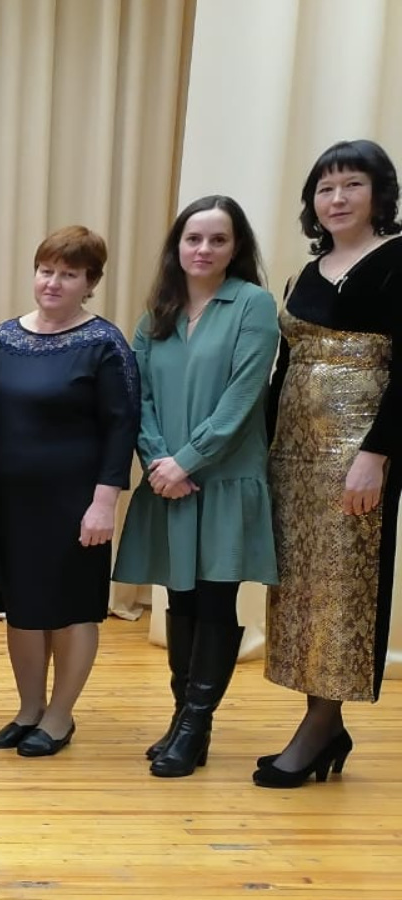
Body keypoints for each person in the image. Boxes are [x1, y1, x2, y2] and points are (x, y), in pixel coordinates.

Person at [112, 197, 279, 778]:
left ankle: (196, 725)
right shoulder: (155, 315)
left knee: (213, 599)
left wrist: (186, 461)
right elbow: (139, 399)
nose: (203, 249)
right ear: (177, 247)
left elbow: (243, 397)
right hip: (169, 483)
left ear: (236, 248)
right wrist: (160, 461)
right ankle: (182, 717)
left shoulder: (254, 305)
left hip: (223, 480)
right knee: (178, 598)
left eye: (217, 239)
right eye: (193, 238)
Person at [257, 139, 402, 788]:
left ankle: (320, 726)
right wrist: (259, 453)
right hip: (293, 458)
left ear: (380, 194)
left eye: (352, 185)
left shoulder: (397, 260)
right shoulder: (305, 273)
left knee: (344, 590)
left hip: (356, 455)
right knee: (302, 591)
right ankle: (322, 723)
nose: (337, 198)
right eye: (325, 188)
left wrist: (375, 454)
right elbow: (281, 372)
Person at [0, 226, 138, 757]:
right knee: (23, 607)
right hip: (13, 502)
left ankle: (59, 714)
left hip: (76, 502)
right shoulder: (3, 338)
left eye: (68, 274)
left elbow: (122, 427)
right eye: (46, 270)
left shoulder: (104, 344)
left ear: (90, 282)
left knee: (72, 608)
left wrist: (104, 502)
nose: (53, 282)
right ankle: (29, 708)